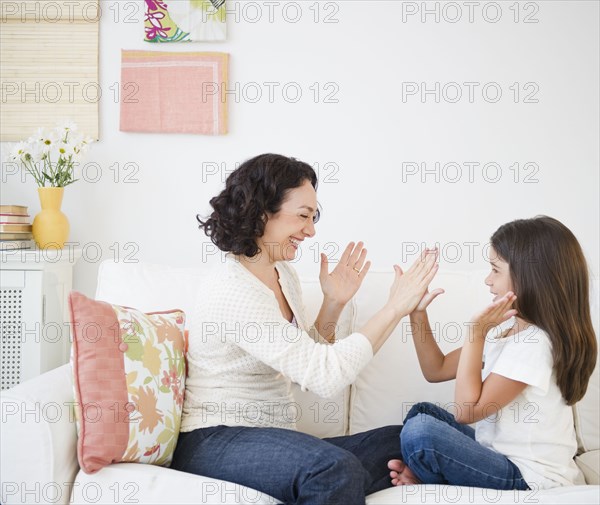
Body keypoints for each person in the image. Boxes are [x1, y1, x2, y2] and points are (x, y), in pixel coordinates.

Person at [170, 153, 439, 504]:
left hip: (273, 437)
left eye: (313, 218)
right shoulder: (232, 288)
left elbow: (301, 369)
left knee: (408, 439)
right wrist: (394, 308)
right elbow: (324, 376)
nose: (310, 231)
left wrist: (334, 303)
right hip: (214, 440)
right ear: (261, 211)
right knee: (332, 469)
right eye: (302, 216)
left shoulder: (283, 275)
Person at [388, 216, 597, 491]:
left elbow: (467, 411)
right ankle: (428, 473)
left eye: (495, 270)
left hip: (530, 477)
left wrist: (476, 333)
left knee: (421, 432)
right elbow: (435, 369)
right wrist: (416, 311)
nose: (488, 280)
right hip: (499, 458)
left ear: (530, 276)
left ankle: (427, 475)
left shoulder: (534, 345)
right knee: (422, 413)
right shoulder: (509, 333)